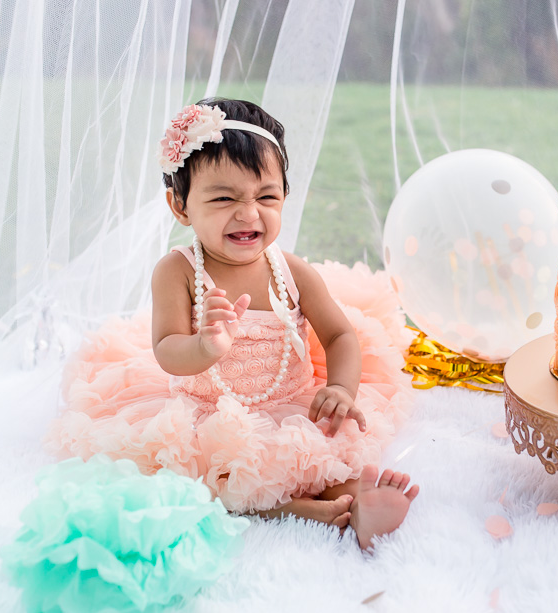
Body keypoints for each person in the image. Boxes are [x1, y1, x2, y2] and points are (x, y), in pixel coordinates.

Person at [46, 98, 417, 550]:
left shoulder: (292, 272)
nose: (248, 213)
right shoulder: (178, 271)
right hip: (208, 414)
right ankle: (291, 509)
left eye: (266, 196)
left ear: (284, 196)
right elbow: (166, 349)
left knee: (322, 458)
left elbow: (340, 336)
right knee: (202, 477)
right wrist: (204, 346)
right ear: (180, 206)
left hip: (290, 401)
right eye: (224, 198)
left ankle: (355, 501)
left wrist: (340, 388)